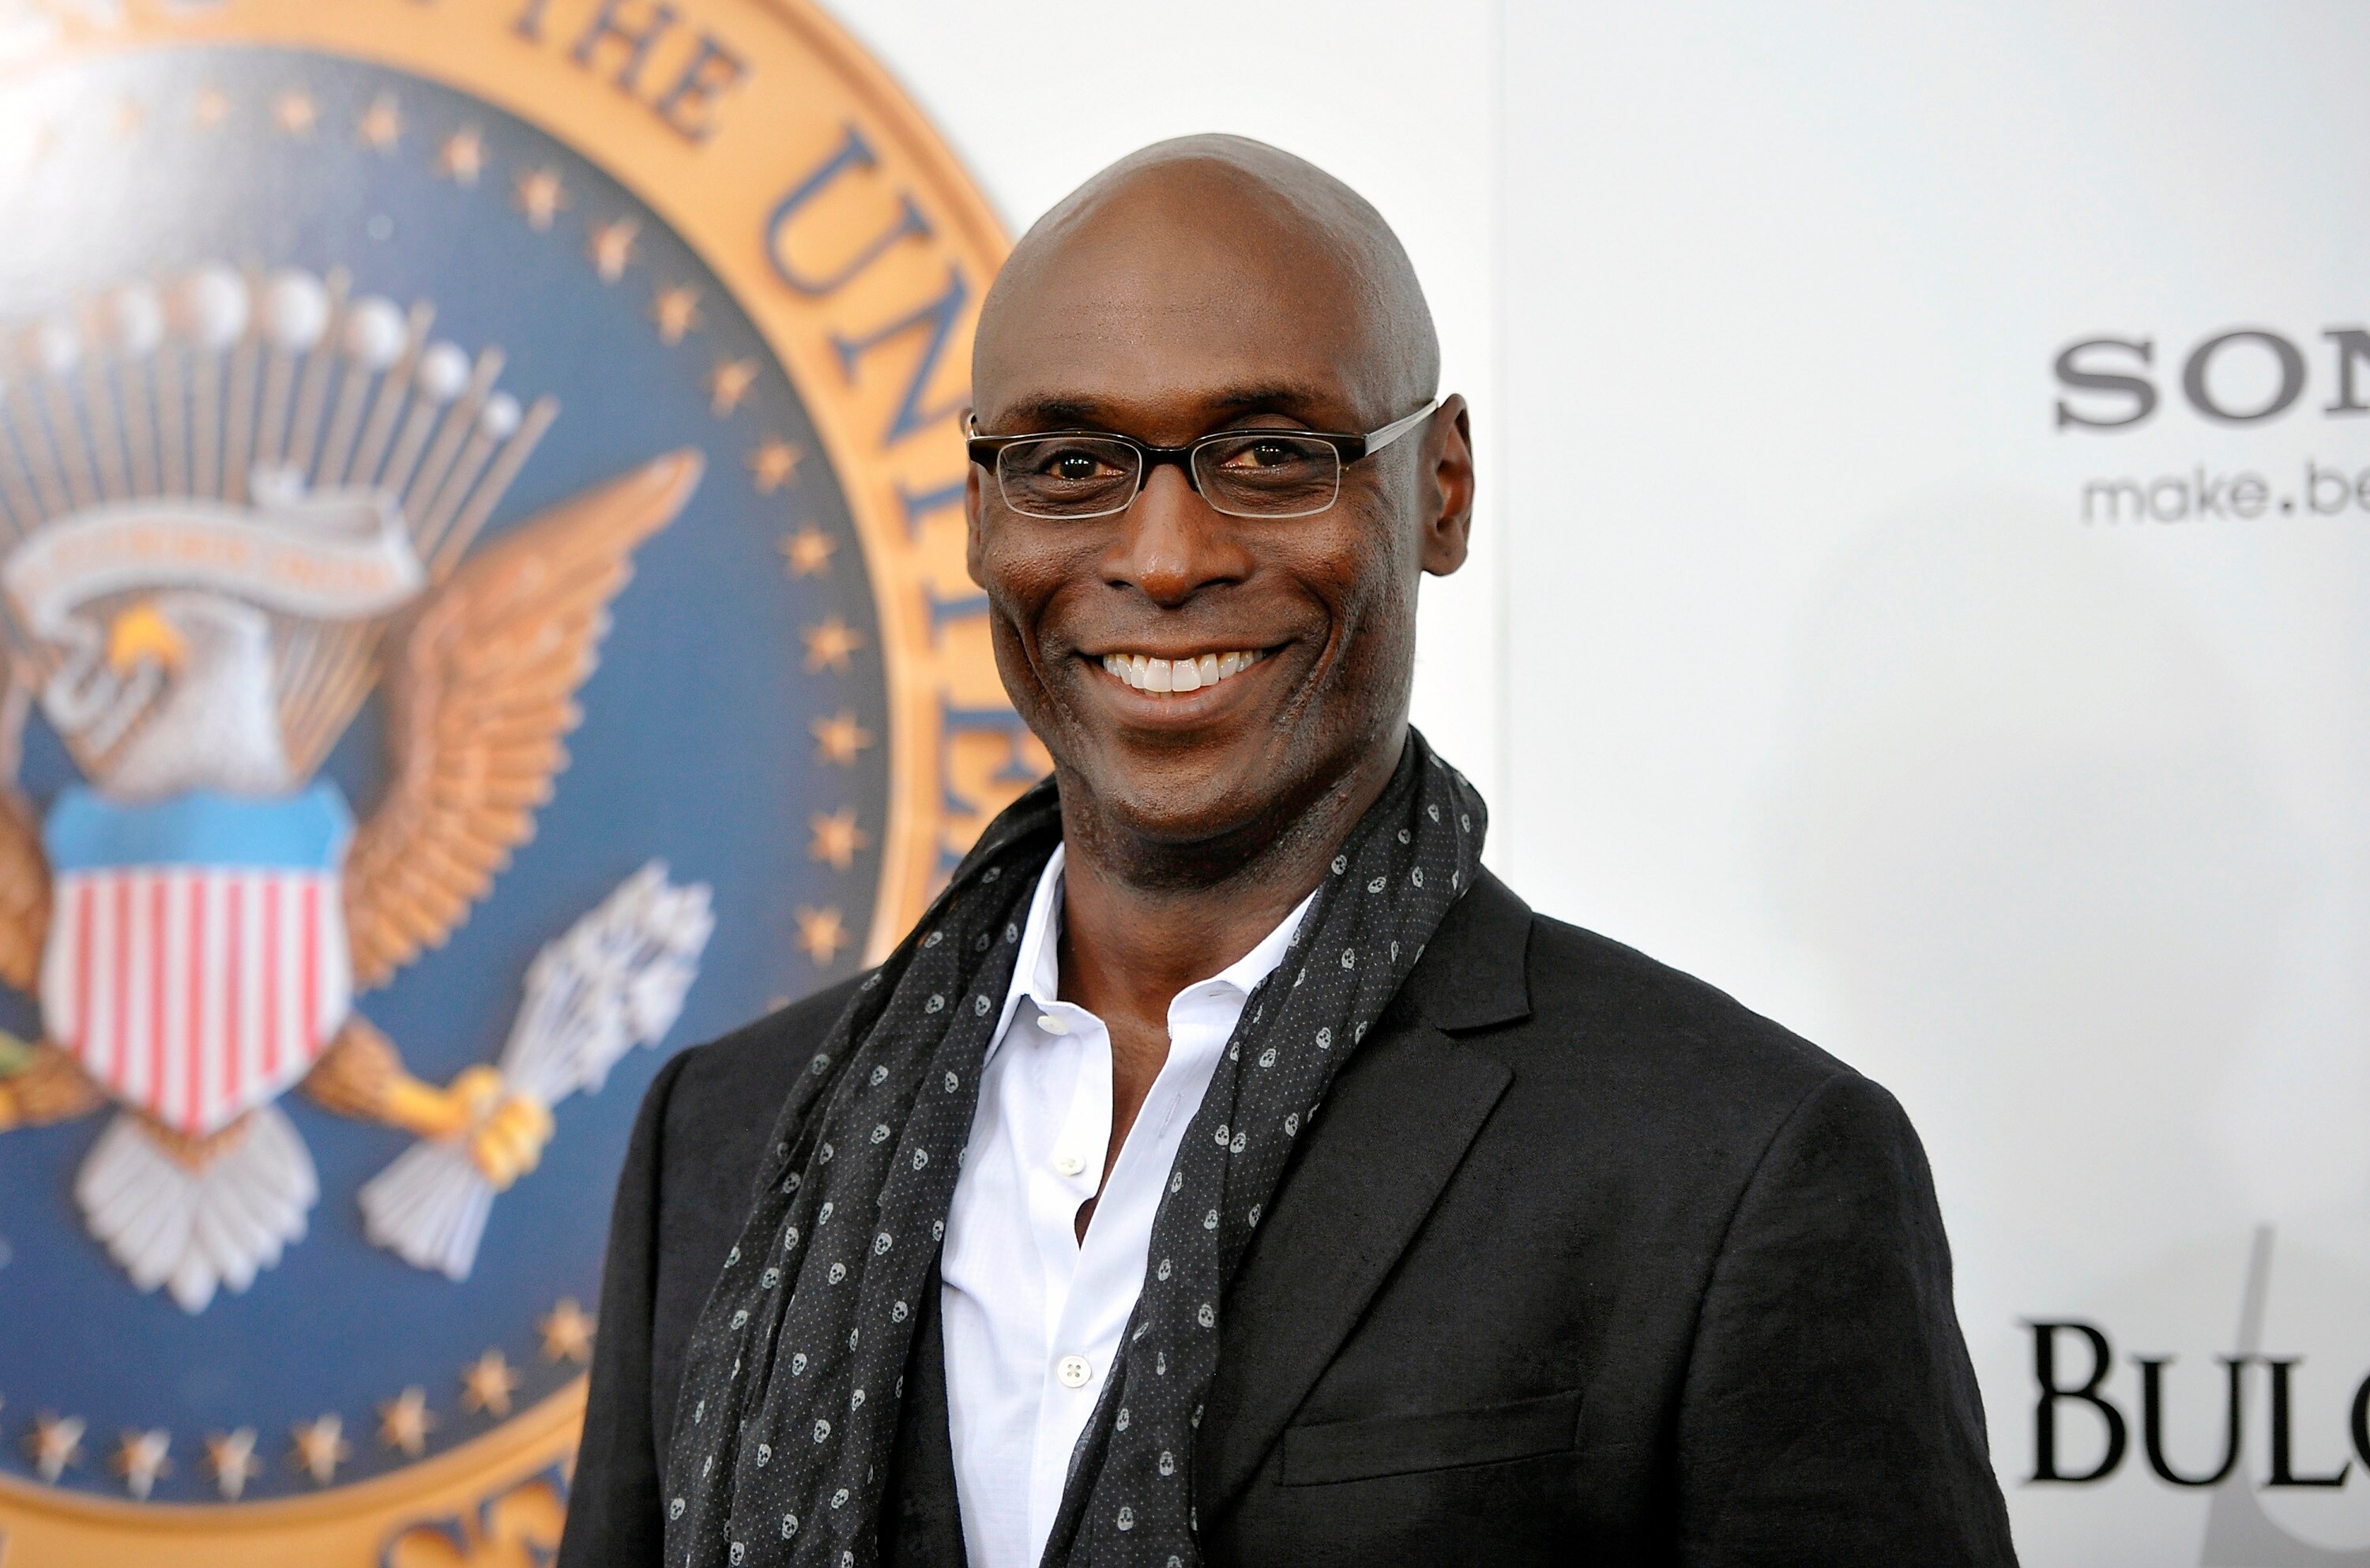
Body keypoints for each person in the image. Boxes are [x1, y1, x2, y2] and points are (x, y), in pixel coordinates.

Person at [559, 136, 2017, 1568]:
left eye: (1270, 455)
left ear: (1441, 488)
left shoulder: (1734, 1161)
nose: (1166, 556)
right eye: (1072, 462)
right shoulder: (732, 1138)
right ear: (982, 516)